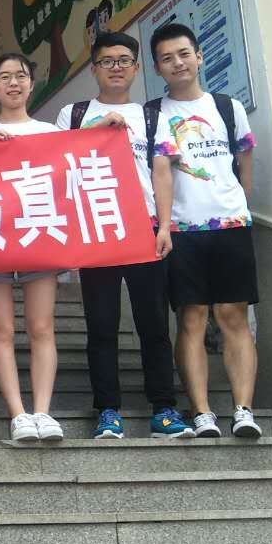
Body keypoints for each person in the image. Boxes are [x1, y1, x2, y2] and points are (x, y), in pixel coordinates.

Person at [57, 31, 189, 441]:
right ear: (94, 69)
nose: (116, 68)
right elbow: (57, 164)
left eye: (123, 60)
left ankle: (163, 408)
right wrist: (97, 129)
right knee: (101, 324)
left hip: (145, 229)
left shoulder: (152, 116)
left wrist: (164, 226)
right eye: (107, 61)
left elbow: (162, 172)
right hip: (97, 230)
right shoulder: (74, 114)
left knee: (154, 323)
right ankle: (108, 411)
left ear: (136, 68)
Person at [150, 21, 262, 439]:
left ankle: (243, 410)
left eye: (184, 54)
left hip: (231, 224)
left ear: (199, 56)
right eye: (167, 58)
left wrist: (241, 205)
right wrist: (163, 225)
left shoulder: (227, 107)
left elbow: (245, 158)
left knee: (233, 316)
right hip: (180, 230)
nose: (177, 63)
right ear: (157, 68)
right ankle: (201, 413)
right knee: (192, 318)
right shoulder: (153, 114)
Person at [0, 52, 64, 444]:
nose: (13, 83)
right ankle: (18, 414)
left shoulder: (49, 132)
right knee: (2, 329)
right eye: (4, 77)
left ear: (31, 84)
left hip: (40, 235)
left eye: (20, 76)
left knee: (41, 326)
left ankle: (43, 411)